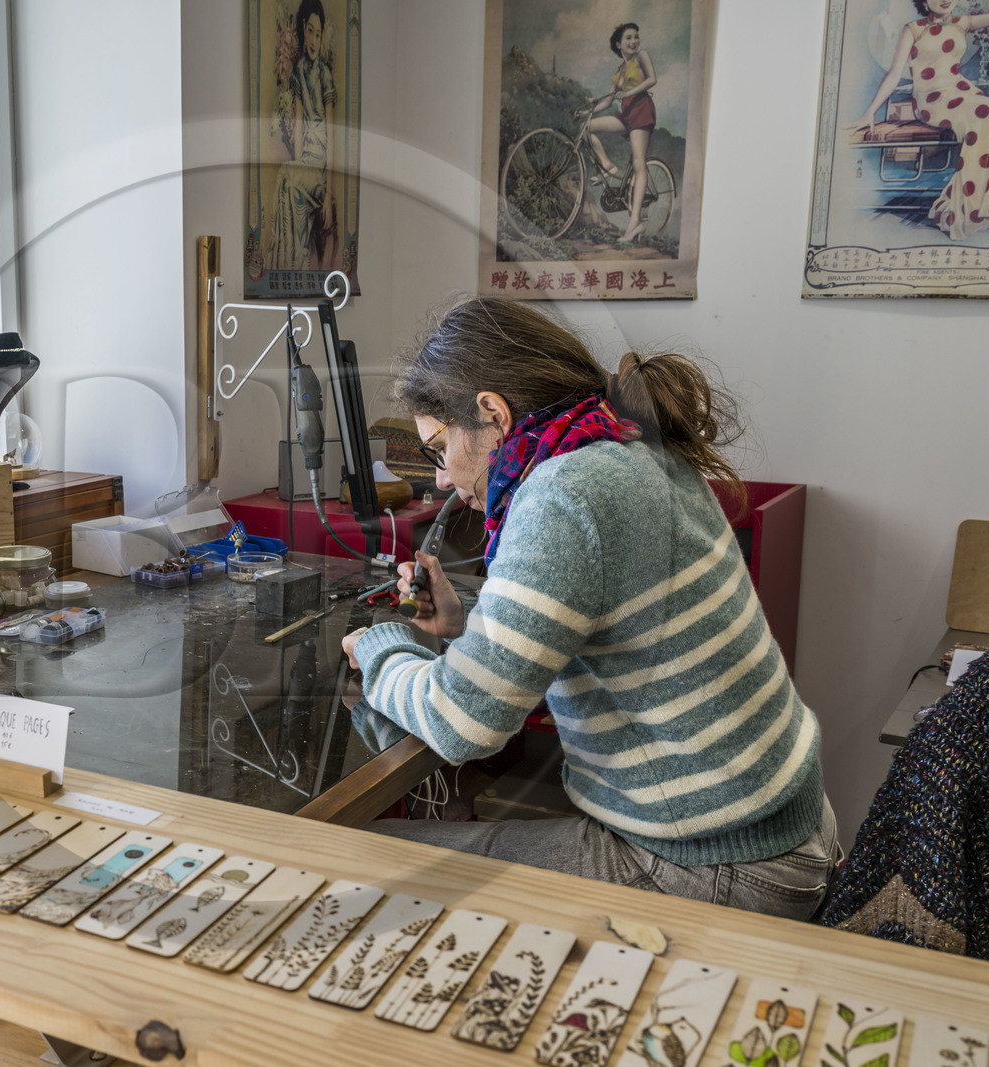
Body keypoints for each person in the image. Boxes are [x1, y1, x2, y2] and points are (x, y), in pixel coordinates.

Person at [341, 298, 839, 920]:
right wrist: (466, 624)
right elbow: (604, 619)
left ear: (493, 414)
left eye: (439, 449)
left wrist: (380, 648)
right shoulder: (619, 443)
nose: (440, 479)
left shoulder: (565, 492)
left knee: (348, 860)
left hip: (718, 865)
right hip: (773, 829)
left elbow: (462, 723)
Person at [852, 0, 989, 239]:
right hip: (931, 99)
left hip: (960, 90)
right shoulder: (913, 29)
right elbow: (894, 74)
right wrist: (869, 112)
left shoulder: (962, 23)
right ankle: (970, 204)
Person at [266, 0, 337, 271]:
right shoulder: (298, 72)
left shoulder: (325, 75)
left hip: (320, 170)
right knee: (288, 177)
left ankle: (290, 259)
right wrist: (298, 166)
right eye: (310, 31)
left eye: (318, 33)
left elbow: (332, 135)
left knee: (287, 176)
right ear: (302, 30)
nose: (314, 40)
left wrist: (329, 192)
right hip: (304, 164)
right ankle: (291, 260)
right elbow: (298, 129)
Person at [581, 22, 657, 243]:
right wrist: (588, 111)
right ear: (618, 44)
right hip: (626, 114)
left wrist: (629, 92)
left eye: (636, 37)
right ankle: (607, 165)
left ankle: (634, 223)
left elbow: (652, 79)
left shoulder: (642, 55)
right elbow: (606, 102)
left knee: (638, 164)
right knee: (587, 128)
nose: (634, 41)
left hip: (641, 110)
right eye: (628, 38)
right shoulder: (620, 71)